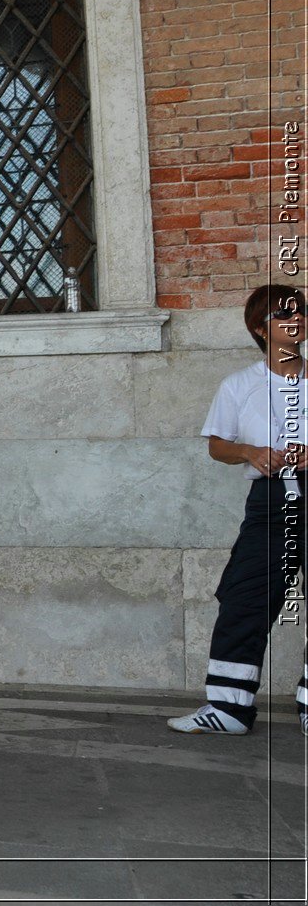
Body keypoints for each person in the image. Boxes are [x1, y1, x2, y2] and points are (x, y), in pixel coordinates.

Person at [169, 283, 306, 736]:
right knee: (243, 598)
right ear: (259, 329)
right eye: (284, 315)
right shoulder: (238, 386)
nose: (296, 320)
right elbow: (217, 446)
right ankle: (228, 709)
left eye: (300, 312)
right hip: (269, 503)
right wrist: (249, 452)